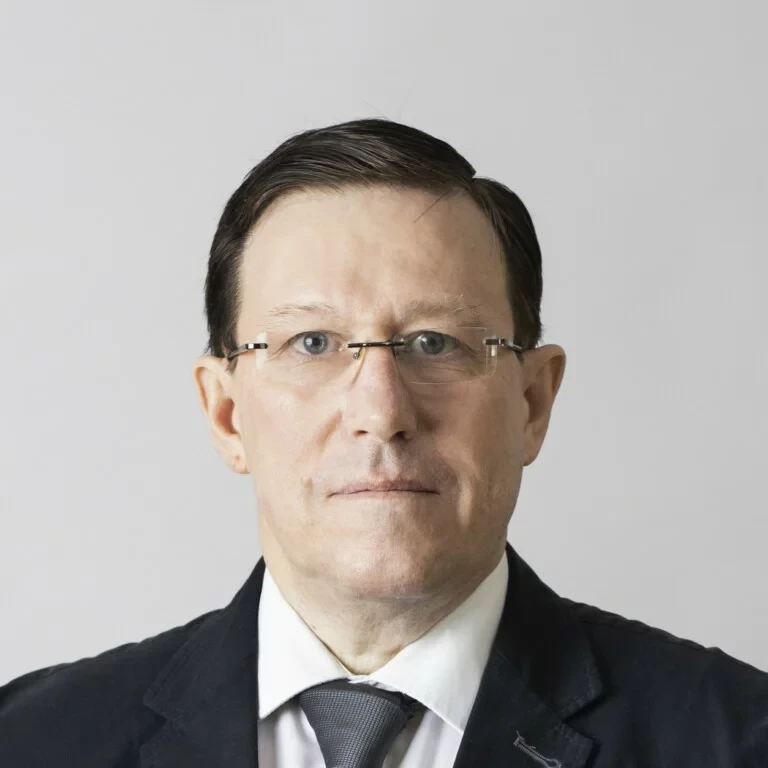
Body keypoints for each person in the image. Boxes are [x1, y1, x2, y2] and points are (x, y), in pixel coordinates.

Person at [0, 118, 766, 768]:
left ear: (532, 402)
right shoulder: (30, 741)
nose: (381, 410)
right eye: (311, 342)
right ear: (227, 414)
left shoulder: (736, 739)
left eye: (435, 342)